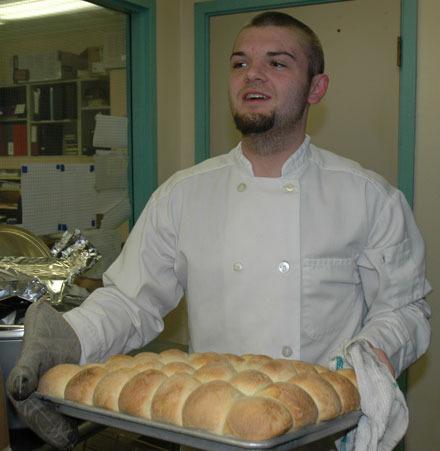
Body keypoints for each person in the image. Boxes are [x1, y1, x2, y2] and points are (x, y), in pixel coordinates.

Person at [7, 11, 431, 451]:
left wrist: (371, 352)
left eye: (278, 63)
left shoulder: (368, 197)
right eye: (240, 63)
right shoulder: (183, 194)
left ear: (316, 88)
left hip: (325, 431)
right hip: (212, 428)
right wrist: (71, 337)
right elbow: (131, 301)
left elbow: (405, 309)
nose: (253, 76)